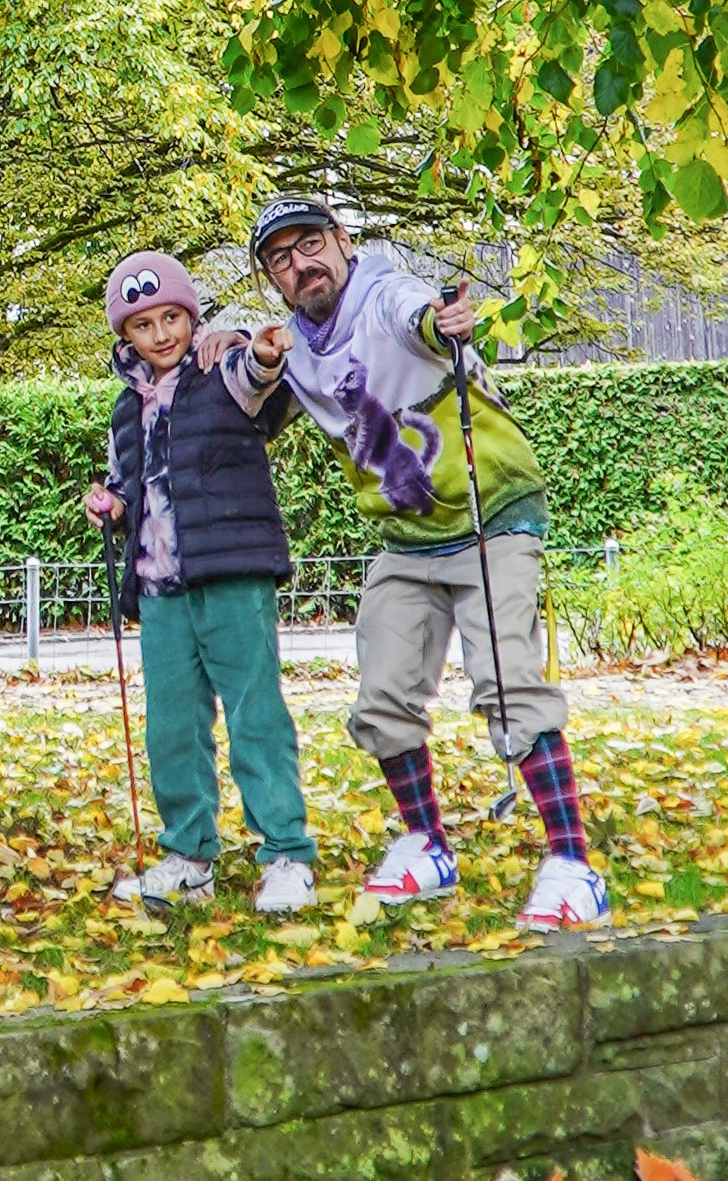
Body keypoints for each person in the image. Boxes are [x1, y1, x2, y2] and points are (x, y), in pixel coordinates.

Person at [241, 193, 607, 931]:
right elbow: (246, 394)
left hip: (490, 516)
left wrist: (443, 324)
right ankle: (427, 845)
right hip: (406, 541)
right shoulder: (294, 349)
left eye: (310, 244)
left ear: (343, 241)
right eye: (280, 258)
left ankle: (573, 865)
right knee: (381, 698)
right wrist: (235, 350)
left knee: (507, 681)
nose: (301, 264)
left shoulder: (383, 294)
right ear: (271, 280)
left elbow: (419, 317)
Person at [82, 252, 319, 915]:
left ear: (190, 317)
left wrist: (259, 349)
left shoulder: (220, 369)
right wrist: (110, 505)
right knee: (172, 726)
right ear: (125, 335)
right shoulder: (124, 410)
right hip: (159, 588)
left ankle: (287, 854)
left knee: (254, 714)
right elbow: (127, 486)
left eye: (171, 318)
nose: (160, 334)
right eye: (142, 325)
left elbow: (259, 377)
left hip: (231, 573)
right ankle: (188, 857)